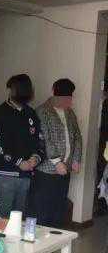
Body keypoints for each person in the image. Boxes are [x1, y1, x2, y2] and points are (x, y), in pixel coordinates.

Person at [0, 74, 45, 218]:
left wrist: (35, 158)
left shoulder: (30, 113)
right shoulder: (1, 112)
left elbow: (39, 140)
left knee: (19, 220)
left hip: (26, 175)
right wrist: (19, 162)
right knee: (1, 219)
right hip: (5, 174)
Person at [34, 79, 82, 228]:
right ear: (54, 92)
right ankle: (42, 240)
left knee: (59, 208)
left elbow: (77, 136)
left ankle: (57, 238)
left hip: (66, 168)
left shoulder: (69, 112)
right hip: (47, 170)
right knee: (44, 209)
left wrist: (76, 159)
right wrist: (56, 162)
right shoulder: (42, 111)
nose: (68, 101)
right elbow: (45, 139)